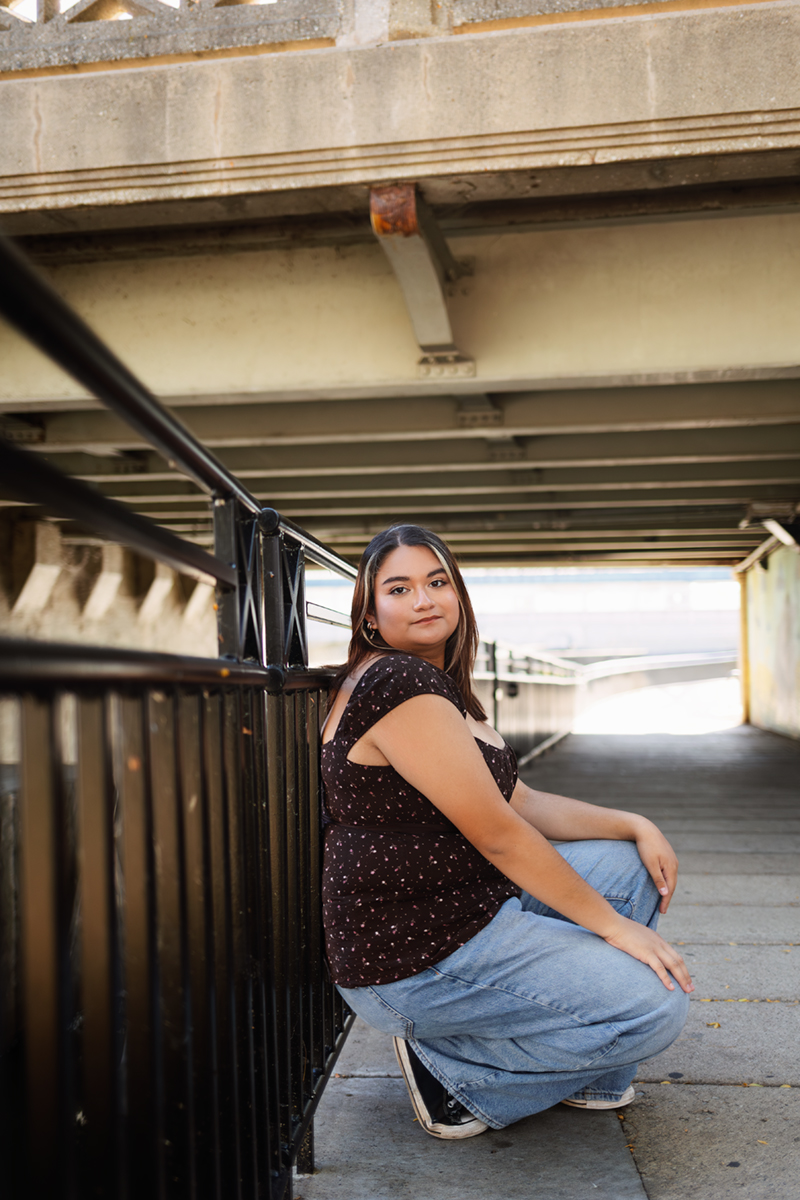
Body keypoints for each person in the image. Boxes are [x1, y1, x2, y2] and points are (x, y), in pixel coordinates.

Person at [321, 524, 692, 1140]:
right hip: (417, 953)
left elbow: (521, 801)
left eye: (437, 582)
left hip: (468, 905)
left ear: (458, 594)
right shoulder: (400, 685)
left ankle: (588, 1078)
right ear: (369, 614)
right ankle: (459, 1075)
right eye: (399, 589)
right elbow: (499, 833)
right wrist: (613, 927)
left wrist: (636, 824)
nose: (424, 600)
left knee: (631, 865)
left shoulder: (436, 686)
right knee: (654, 1009)